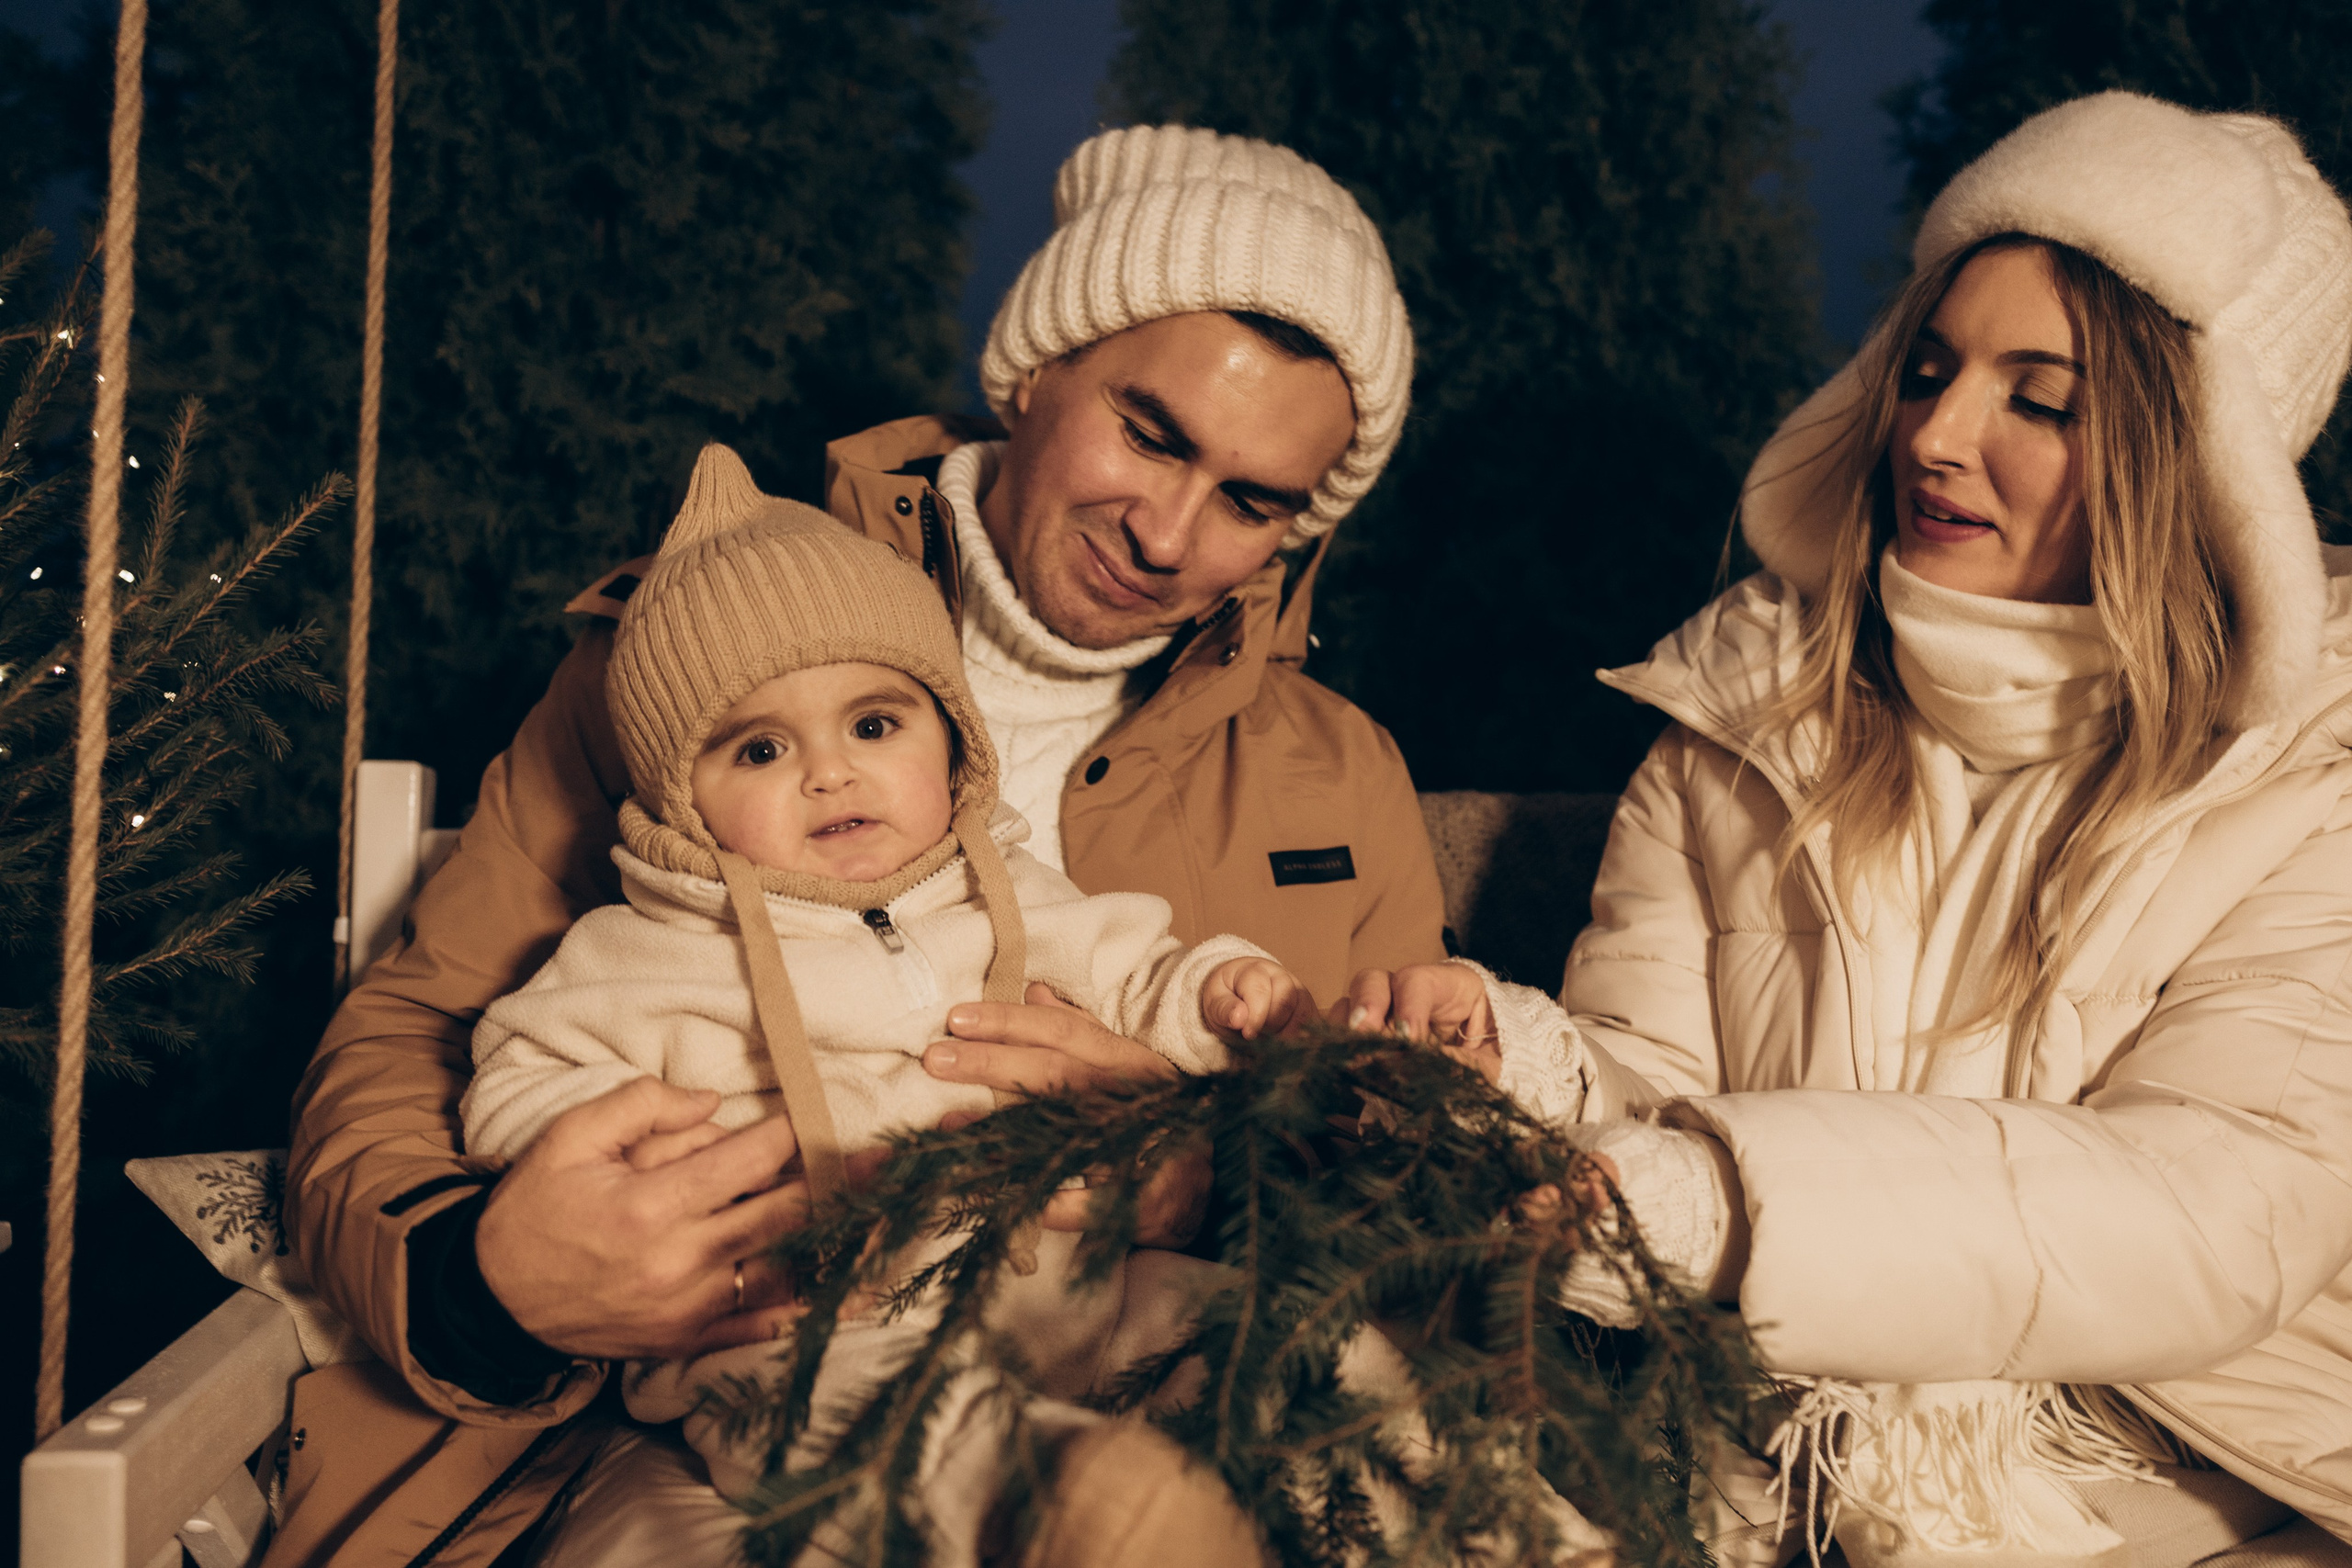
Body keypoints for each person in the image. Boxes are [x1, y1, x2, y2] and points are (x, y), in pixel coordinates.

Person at [272, 124, 1437, 1568]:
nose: (1168, 529)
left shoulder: (1334, 773)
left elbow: (1405, 1157)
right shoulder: (706, 652)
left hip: (1128, 1351)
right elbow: (426, 1029)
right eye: (1151, 432)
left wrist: (1208, 1168)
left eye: (1253, 501)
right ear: (1036, 370)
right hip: (724, 1397)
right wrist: (481, 1273)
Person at [1356, 93, 2352, 1568]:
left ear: (2197, 458)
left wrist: (1737, 1198)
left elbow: (2224, 1200)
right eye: (1930, 368)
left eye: (2042, 397)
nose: (1936, 437)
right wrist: (1528, 1061)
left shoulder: (2319, 764)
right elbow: (1658, 1104)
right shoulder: (1742, 713)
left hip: (2192, 1461)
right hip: (1776, 1427)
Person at [461, 446, 1306, 1553]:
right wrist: (629, 1164)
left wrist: (1218, 991)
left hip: (1069, 1300)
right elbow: (515, 1074)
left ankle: (1503, 1524)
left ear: (951, 738)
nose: (831, 773)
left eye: (875, 725)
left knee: (1267, 1338)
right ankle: (1061, 1510)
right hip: (798, 1323)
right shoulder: (644, 950)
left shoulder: (1009, 890)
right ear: (682, 797)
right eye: (761, 748)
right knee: (865, 1413)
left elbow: (1139, 974)